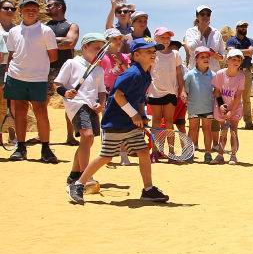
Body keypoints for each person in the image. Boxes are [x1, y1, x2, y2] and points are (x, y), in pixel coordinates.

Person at [67, 38, 171, 204]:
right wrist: (134, 115)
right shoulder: (132, 73)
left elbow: (138, 99)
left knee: (143, 152)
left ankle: (148, 189)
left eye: (154, 51)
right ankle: (78, 184)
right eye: (148, 51)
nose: (153, 54)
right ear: (136, 55)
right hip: (115, 123)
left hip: (130, 124)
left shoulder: (145, 74)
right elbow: (118, 95)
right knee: (106, 157)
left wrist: (141, 115)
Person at [4, 0, 58, 163]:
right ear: (20, 11)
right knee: (19, 112)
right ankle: (20, 148)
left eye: (34, 8)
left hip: (37, 78)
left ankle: (45, 149)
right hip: (16, 76)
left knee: (41, 112)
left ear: (38, 11)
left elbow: (53, 56)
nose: (31, 11)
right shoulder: (13, 31)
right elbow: (11, 54)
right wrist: (8, 73)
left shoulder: (46, 31)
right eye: (27, 8)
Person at [54, 32, 108, 192]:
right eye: (96, 48)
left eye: (101, 49)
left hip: (92, 107)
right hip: (76, 105)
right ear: (84, 47)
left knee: (88, 141)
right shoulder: (72, 63)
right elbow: (57, 84)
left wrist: (101, 104)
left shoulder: (98, 70)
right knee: (87, 136)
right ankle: (86, 178)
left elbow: (102, 92)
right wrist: (65, 92)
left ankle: (74, 174)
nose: (99, 52)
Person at [45, 0, 81, 145]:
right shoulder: (44, 26)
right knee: (41, 103)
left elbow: (70, 43)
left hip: (65, 68)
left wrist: (48, 42)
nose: (46, 8)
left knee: (69, 101)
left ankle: (70, 136)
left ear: (59, 7)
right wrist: (60, 40)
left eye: (50, 5)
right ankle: (43, 136)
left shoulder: (71, 25)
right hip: (45, 68)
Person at [146, 27, 184, 160]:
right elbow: (146, 71)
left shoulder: (176, 54)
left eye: (168, 37)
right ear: (156, 38)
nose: (166, 40)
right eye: (162, 37)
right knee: (156, 121)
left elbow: (179, 73)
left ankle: (171, 152)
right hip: (154, 92)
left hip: (170, 92)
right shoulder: (152, 53)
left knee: (169, 122)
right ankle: (156, 151)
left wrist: (182, 90)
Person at [212, 49, 246, 163]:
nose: (236, 62)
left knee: (233, 131)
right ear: (228, 60)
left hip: (235, 107)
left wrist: (232, 111)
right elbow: (217, 91)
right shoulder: (220, 74)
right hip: (222, 107)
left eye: (239, 60)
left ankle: (233, 155)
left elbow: (238, 96)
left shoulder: (241, 76)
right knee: (223, 130)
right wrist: (221, 105)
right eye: (234, 59)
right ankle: (220, 155)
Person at [184, 46, 216, 162]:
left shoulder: (213, 75)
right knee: (193, 130)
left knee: (207, 130)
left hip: (208, 107)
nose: (205, 59)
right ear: (196, 59)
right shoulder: (190, 74)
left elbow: (216, 91)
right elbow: (185, 90)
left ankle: (208, 153)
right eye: (202, 57)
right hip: (193, 107)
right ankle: (189, 152)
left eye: (207, 57)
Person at [225, 21, 253, 130]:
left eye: (245, 27)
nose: (244, 28)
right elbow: (231, 53)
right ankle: (229, 120)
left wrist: (237, 51)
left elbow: (251, 52)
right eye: (242, 27)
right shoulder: (231, 40)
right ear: (237, 28)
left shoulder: (250, 40)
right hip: (235, 71)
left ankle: (248, 122)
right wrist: (244, 51)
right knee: (230, 97)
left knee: (246, 98)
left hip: (246, 72)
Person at [183, 5, 226, 71]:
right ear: (197, 16)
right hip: (196, 74)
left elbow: (223, 54)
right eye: (202, 14)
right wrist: (201, 31)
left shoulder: (216, 33)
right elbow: (191, 48)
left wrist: (216, 56)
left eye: (208, 14)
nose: (205, 16)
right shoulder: (190, 32)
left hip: (213, 74)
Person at [0, 0, 14, 148]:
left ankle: (12, 135)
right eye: (6, 8)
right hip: (0, 66)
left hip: (14, 68)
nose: (9, 11)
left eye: (12, 9)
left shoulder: (17, 29)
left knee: (13, 103)